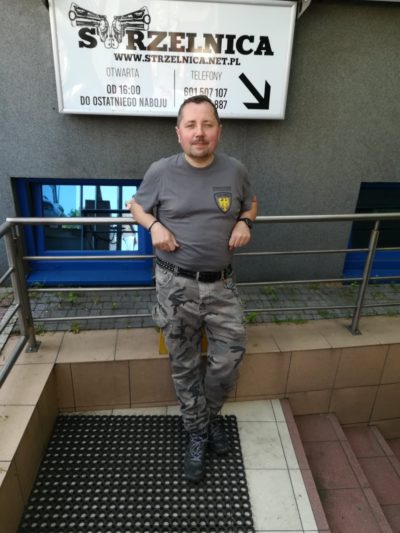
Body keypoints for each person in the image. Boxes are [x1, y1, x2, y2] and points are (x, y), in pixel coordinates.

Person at [129, 95, 257, 482]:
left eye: (207, 124)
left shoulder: (235, 170)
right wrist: (154, 226)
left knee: (228, 360)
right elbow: (136, 206)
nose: (199, 133)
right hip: (175, 285)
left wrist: (246, 222)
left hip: (222, 284)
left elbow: (251, 203)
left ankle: (206, 418)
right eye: (191, 125)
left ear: (219, 130)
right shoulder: (161, 171)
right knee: (183, 362)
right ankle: (198, 432)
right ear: (179, 133)